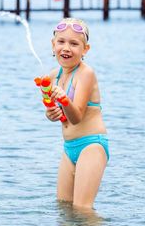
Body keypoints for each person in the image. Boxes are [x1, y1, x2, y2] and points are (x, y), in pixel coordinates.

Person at [43, 18, 109, 210]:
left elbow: (76, 116)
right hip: (69, 147)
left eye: (74, 44)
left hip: (91, 145)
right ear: (53, 44)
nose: (66, 48)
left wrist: (63, 99)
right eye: (61, 42)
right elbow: (56, 115)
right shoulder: (52, 76)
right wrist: (51, 113)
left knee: (82, 209)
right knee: (63, 208)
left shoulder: (86, 73)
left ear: (85, 49)